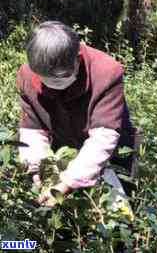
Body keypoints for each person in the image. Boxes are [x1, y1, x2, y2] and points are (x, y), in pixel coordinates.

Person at [16, 21, 141, 207]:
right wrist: (38, 168)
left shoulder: (106, 72)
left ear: (77, 58)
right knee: (65, 217)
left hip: (112, 150)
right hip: (64, 146)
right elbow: (32, 130)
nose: (55, 82)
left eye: (63, 76)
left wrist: (68, 182)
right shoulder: (27, 76)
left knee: (118, 214)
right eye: (47, 78)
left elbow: (104, 137)